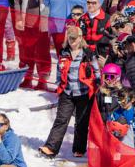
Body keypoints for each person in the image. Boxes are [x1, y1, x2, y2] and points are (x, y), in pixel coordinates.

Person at [41, 29, 95, 157]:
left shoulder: (87, 53)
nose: (72, 41)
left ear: (80, 38)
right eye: (70, 38)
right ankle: (51, 147)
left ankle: (79, 149)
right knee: (61, 120)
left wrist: (95, 86)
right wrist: (59, 83)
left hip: (83, 93)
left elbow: (96, 71)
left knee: (81, 122)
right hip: (67, 93)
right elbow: (59, 70)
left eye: (75, 38)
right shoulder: (64, 53)